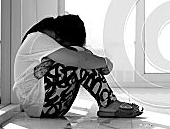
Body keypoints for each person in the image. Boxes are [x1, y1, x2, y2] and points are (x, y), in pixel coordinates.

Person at [13, 14, 143, 118]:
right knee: (78, 58)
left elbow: (83, 57)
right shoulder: (37, 38)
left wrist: (90, 58)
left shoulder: (46, 41)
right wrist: (105, 62)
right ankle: (108, 103)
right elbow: (80, 60)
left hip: (48, 106)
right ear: (60, 35)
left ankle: (108, 102)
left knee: (81, 56)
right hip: (40, 104)